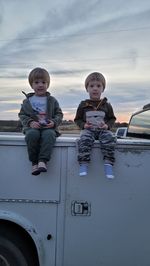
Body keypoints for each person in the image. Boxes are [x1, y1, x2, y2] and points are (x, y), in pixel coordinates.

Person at [18, 67, 63, 175]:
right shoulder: (27, 101)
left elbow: (59, 114)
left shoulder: (52, 100)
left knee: (49, 135)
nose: (40, 85)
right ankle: (34, 163)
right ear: (31, 85)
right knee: (32, 135)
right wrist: (30, 122)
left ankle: (43, 161)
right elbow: (22, 114)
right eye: (36, 82)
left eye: (43, 82)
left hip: (48, 127)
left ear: (48, 84)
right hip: (33, 128)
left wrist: (54, 122)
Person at [74, 72, 116, 179]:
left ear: (103, 88)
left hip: (103, 130)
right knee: (84, 138)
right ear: (87, 88)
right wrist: (84, 125)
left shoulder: (107, 105)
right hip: (89, 130)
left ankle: (108, 164)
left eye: (98, 86)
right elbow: (77, 119)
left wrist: (107, 126)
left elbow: (112, 119)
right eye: (91, 86)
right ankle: (83, 163)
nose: (95, 89)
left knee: (110, 137)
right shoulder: (83, 105)